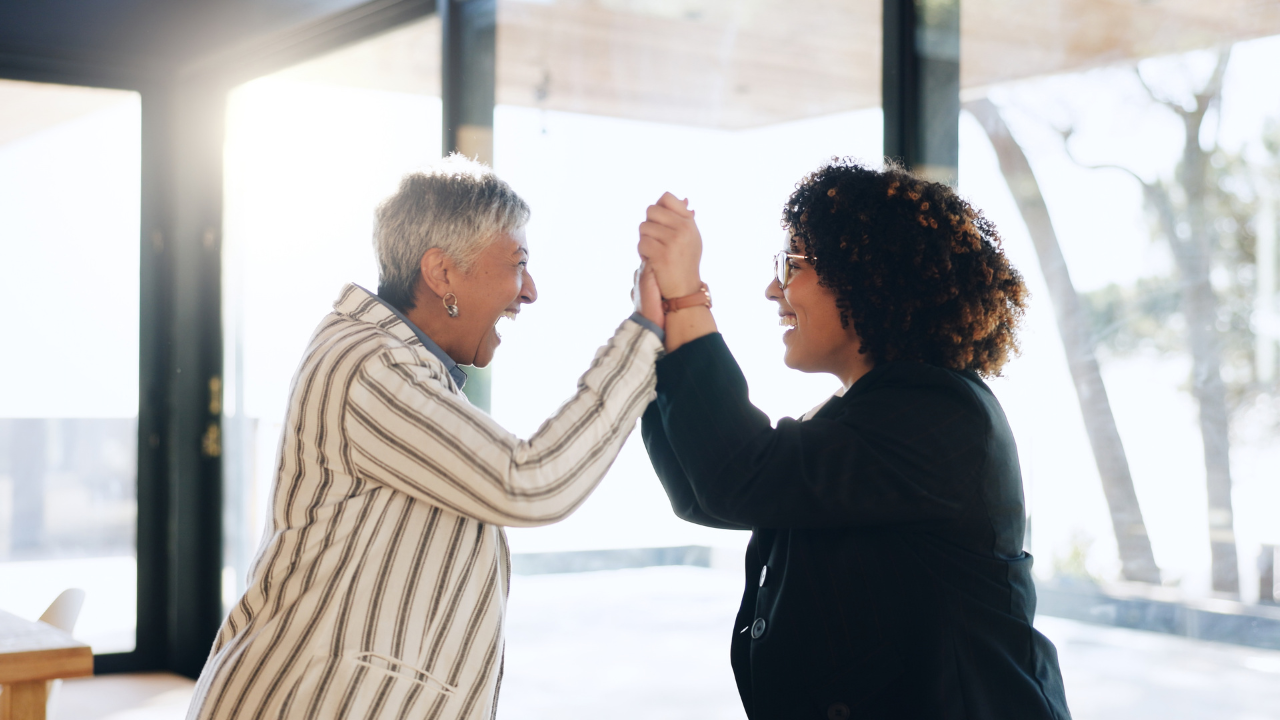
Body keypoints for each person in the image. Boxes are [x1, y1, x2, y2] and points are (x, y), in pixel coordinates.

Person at [188, 156, 667, 720]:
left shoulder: (403, 368)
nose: (530, 290)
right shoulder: (367, 366)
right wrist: (646, 333)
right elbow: (528, 482)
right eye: (518, 263)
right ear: (442, 274)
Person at [637, 159, 1072, 719]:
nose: (774, 289)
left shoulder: (942, 416)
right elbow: (705, 491)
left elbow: (739, 475)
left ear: (872, 274)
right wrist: (659, 329)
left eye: (792, 262)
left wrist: (688, 300)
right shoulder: (860, 414)